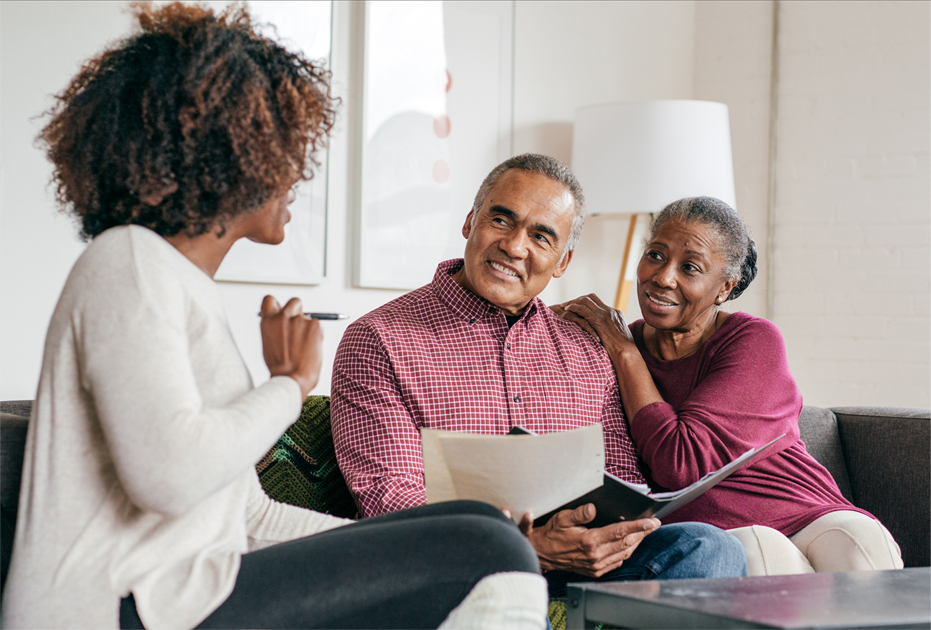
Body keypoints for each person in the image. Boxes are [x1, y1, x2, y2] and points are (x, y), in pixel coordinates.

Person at [0, 4, 548, 629]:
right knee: (491, 548)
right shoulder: (127, 262)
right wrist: (288, 385)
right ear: (233, 157)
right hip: (114, 607)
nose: (296, 175)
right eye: (283, 151)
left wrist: (396, 553)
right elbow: (169, 477)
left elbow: (249, 518)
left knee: (477, 524)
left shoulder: (183, 285)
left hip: (183, 595)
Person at [331, 154, 747, 599]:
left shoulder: (587, 346)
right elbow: (390, 499)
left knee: (711, 548)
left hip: (585, 562)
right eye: (501, 220)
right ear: (471, 221)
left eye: (541, 236)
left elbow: (622, 476)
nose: (514, 246)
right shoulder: (377, 339)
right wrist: (528, 548)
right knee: (507, 594)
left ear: (563, 261)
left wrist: (615, 535)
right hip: (458, 565)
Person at [554, 196, 904, 576]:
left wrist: (625, 353)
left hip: (802, 508)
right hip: (714, 535)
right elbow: (678, 470)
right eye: (655, 255)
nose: (663, 276)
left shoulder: (752, 340)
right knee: (760, 550)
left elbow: (680, 457)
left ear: (724, 288)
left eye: (689, 267)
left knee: (860, 543)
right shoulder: (615, 345)